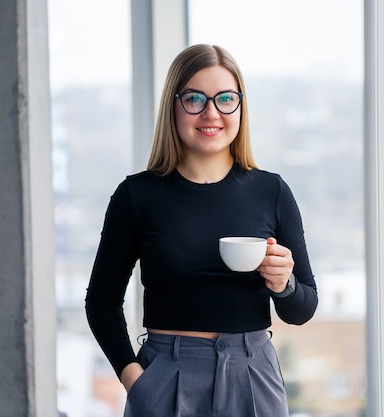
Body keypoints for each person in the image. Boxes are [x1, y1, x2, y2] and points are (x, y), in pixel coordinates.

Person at [85, 44, 318, 417]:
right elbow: (101, 301)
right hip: (165, 376)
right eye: (195, 98)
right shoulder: (137, 195)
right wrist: (136, 380)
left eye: (226, 99)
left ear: (240, 106)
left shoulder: (272, 192)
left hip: (253, 375)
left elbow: (303, 308)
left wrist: (283, 284)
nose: (211, 112)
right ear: (173, 106)